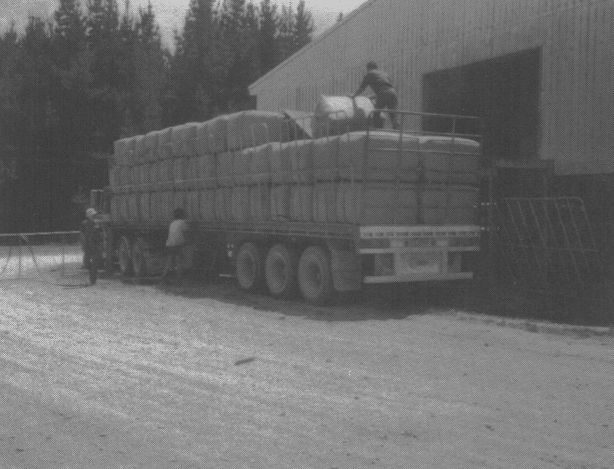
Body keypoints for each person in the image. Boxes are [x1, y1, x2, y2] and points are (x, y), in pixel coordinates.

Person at [352, 61, 400, 130]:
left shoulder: (369, 74)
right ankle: (398, 132)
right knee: (394, 114)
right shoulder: (384, 74)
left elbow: (362, 88)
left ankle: (377, 131)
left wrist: (353, 96)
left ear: (368, 68)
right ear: (376, 67)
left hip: (383, 93)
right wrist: (373, 96)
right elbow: (387, 87)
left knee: (376, 114)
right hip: (393, 92)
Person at [161, 208, 189, 284]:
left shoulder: (172, 223)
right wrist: (187, 242)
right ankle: (179, 279)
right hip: (177, 244)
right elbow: (185, 233)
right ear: (182, 215)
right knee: (178, 261)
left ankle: (164, 277)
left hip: (170, 244)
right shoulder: (183, 222)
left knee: (169, 261)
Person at [81, 207, 102, 285]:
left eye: (93, 214)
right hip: (87, 246)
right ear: (87, 216)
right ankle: (92, 274)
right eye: (91, 214)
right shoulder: (84, 223)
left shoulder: (96, 223)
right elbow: (82, 235)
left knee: (94, 264)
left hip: (95, 245)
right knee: (86, 263)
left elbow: (99, 235)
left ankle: (93, 280)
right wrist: (83, 244)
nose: (93, 216)